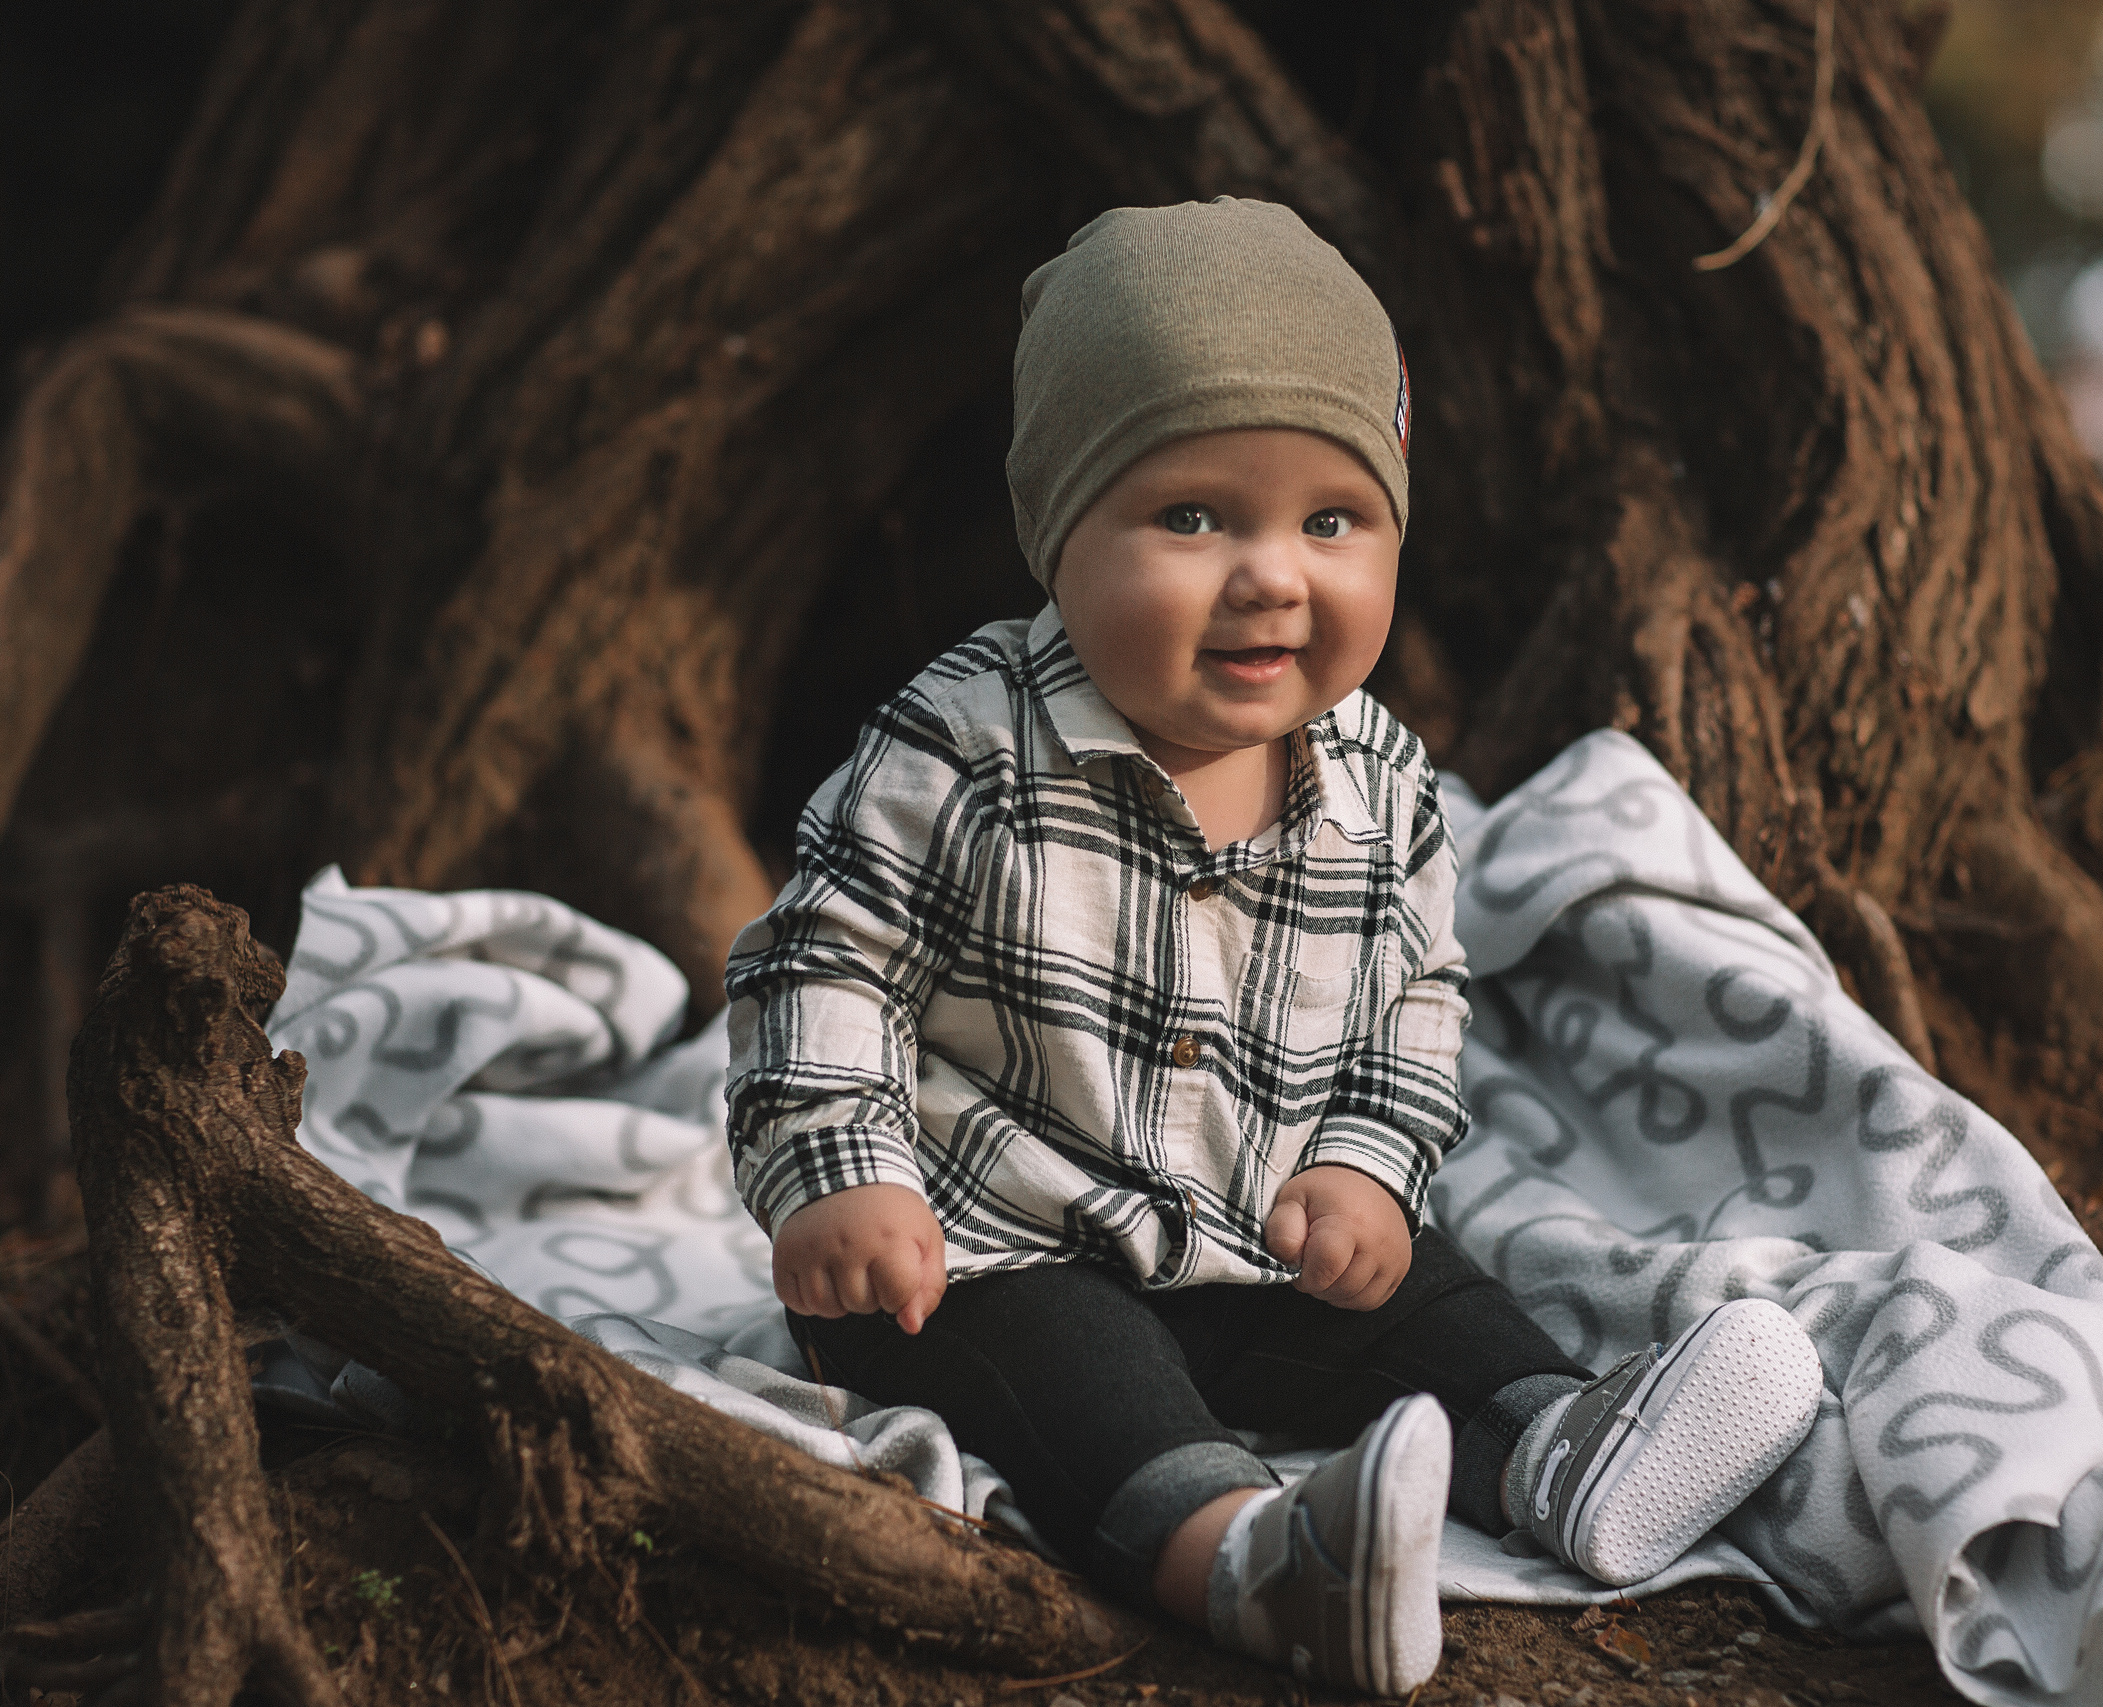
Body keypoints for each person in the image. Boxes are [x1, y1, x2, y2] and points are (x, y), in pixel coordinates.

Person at [724, 197, 1824, 1696]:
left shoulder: (1380, 781)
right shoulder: (964, 739)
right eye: (1193, 517)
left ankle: (1561, 1446)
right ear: (1061, 533)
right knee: (1086, 1378)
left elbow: (1415, 1006)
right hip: (975, 1256)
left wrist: (1369, 1163)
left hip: (1253, 1241)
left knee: (1422, 1297)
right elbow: (822, 965)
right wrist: (845, 1174)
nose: (1272, 575)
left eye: (1332, 519)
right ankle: (1251, 1562)